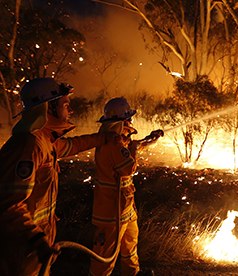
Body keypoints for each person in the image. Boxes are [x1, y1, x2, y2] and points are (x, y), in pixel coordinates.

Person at [0, 77, 118, 275]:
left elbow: (74, 145)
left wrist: (104, 138)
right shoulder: (29, 145)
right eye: (65, 105)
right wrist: (36, 239)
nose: (70, 111)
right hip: (20, 248)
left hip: (35, 245)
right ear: (47, 108)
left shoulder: (45, 140)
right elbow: (8, 204)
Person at [90, 97, 163, 276]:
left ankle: (132, 273)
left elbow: (131, 146)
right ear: (121, 121)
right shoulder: (112, 144)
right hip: (111, 211)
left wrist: (149, 140)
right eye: (128, 118)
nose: (131, 121)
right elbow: (128, 168)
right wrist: (136, 149)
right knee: (105, 255)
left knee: (130, 245)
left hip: (124, 207)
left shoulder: (118, 140)